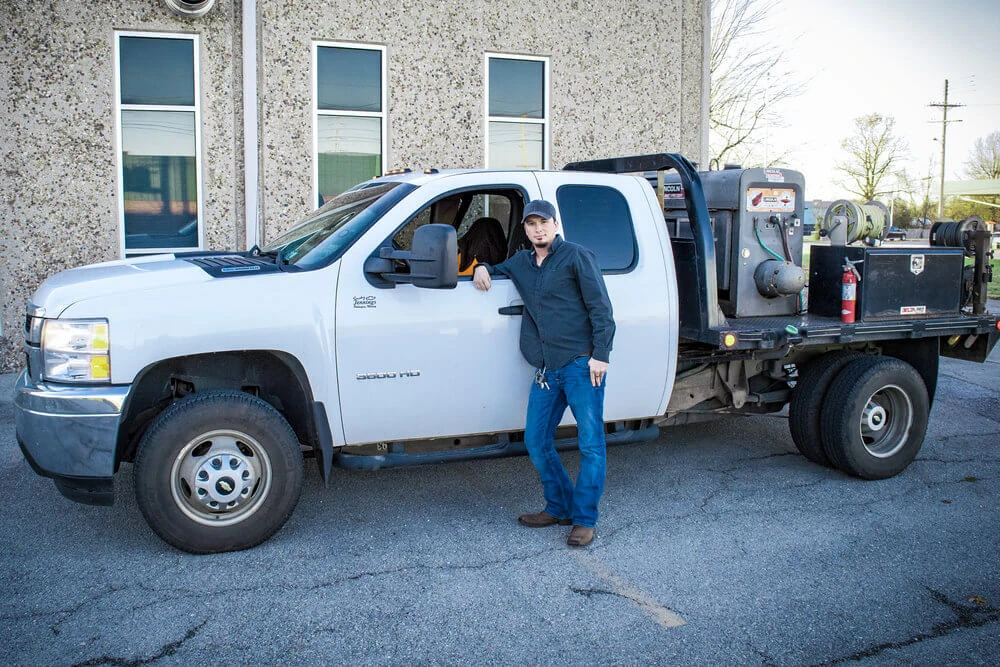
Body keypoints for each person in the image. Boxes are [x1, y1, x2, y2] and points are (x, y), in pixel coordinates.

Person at [473, 200, 615, 547]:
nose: (538, 229)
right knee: (536, 442)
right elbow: (496, 266)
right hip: (548, 370)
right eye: (531, 224)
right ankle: (558, 506)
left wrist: (601, 356)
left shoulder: (576, 256)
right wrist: (481, 267)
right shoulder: (522, 262)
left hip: (583, 365)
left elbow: (601, 308)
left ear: (555, 224)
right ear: (525, 229)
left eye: (543, 223)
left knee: (591, 445)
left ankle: (584, 519)